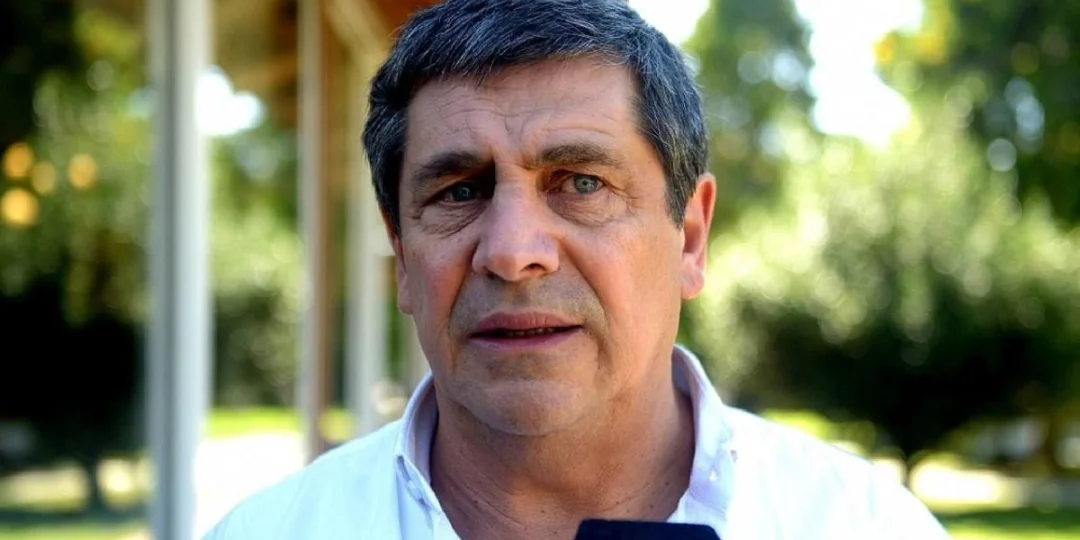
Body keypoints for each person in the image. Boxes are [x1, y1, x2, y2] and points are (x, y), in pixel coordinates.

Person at [205, 0, 950, 538]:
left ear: (690, 238)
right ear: (401, 253)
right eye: (458, 192)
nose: (511, 251)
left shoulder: (863, 526)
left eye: (582, 183)